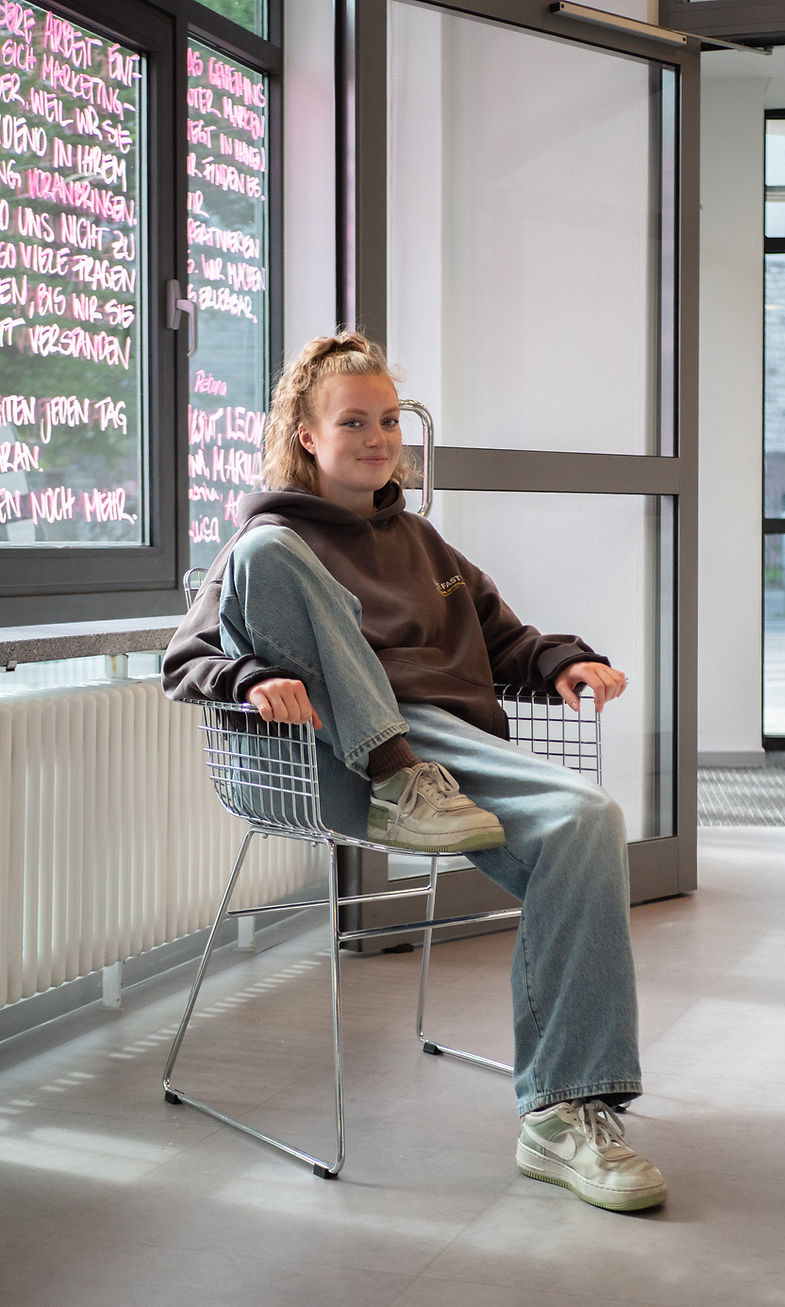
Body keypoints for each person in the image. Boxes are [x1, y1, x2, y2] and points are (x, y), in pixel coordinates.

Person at [162, 331, 667, 1213]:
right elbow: (184, 662)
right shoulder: (267, 539)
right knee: (270, 550)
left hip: (440, 749)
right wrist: (250, 677)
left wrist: (561, 662)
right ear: (307, 435)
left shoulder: (425, 544)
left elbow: (502, 636)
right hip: (311, 752)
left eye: (389, 419)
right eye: (353, 420)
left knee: (588, 815)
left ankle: (563, 1111)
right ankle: (399, 780)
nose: (377, 436)